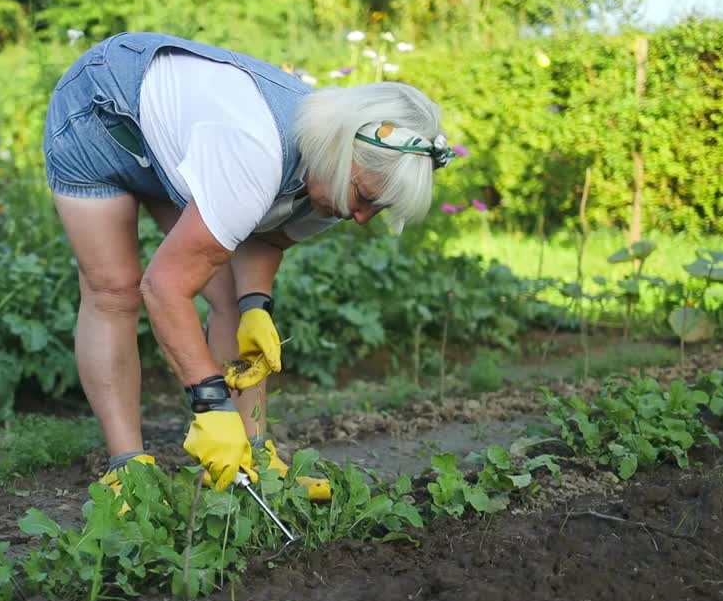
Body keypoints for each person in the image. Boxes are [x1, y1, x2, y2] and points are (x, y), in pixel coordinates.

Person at [42, 31, 454, 500]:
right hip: (101, 109)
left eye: (376, 210)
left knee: (229, 298)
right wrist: (210, 403)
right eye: (365, 199)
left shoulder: (336, 177)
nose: (361, 218)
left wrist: (255, 305)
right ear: (344, 151)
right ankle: (128, 470)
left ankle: (255, 457)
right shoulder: (256, 150)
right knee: (115, 288)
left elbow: (263, 238)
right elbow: (165, 288)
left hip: (179, 141)